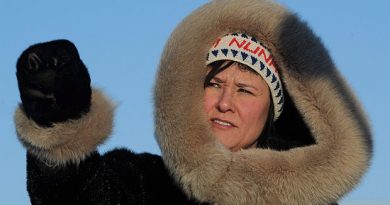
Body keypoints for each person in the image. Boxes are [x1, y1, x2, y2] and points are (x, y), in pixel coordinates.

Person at [14, 0, 372, 204]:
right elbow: (78, 197)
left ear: (272, 111)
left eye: (245, 90)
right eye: (214, 84)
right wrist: (61, 112)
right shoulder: (147, 185)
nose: (224, 103)